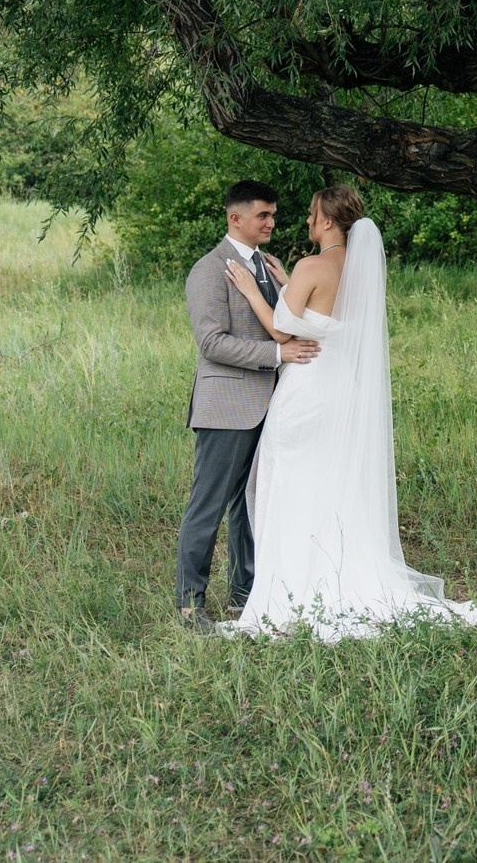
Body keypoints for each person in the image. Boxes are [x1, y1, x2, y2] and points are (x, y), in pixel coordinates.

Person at [222, 183, 477, 640]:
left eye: (311, 214)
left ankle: (289, 584)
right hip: (339, 393)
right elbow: (332, 313)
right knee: (330, 483)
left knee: (287, 481)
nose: (307, 220)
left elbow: (283, 332)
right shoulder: (361, 271)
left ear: (328, 220)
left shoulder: (312, 265)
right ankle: (336, 571)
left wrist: (253, 289)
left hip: (306, 392)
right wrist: (290, 282)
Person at [174, 179, 319, 630]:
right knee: (209, 503)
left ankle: (246, 592)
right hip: (227, 405)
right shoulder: (208, 269)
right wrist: (278, 355)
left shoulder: (269, 265)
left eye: (274, 214)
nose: (272, 222)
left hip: (273, 406)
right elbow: (213, 342)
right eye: (263, 215)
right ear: (235, 218)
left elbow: (286, 321)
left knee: (252, 504)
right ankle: (190, 604)